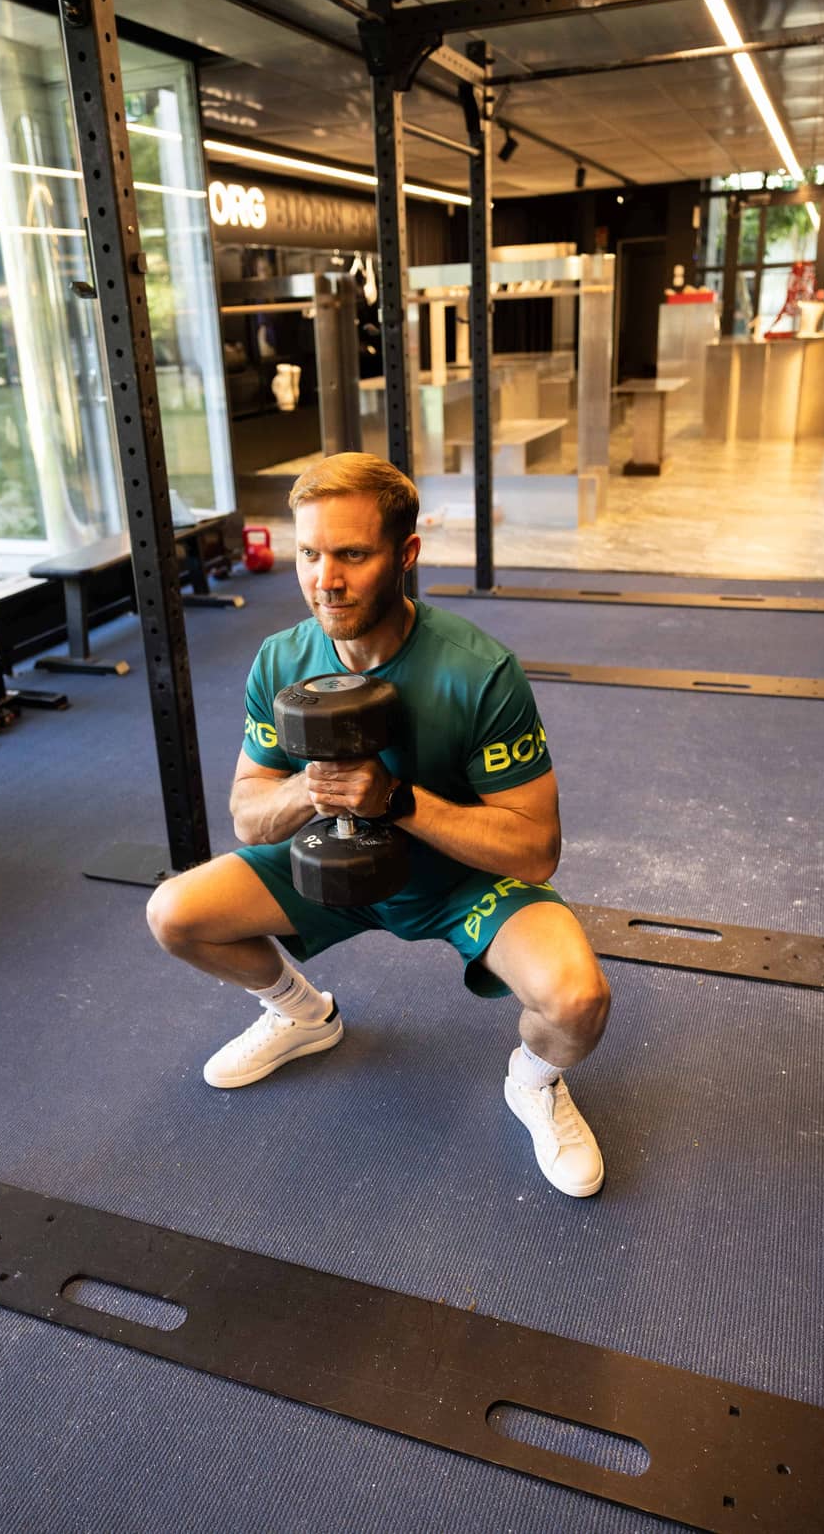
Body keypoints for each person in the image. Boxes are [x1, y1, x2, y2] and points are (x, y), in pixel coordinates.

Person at [147, 454, 611, 1197]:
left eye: (352, 555)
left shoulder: (479, 672)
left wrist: (396, 801)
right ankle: (302, 1015)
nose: (324, 579)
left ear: (406, 554)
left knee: (577, 1001)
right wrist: (309, 788)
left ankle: (535, 1084)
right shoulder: (280, 662)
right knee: (175, 914)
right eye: (308, 553)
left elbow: (535, 849)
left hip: (459, 880)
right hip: (327, 861)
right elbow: (247, 815)